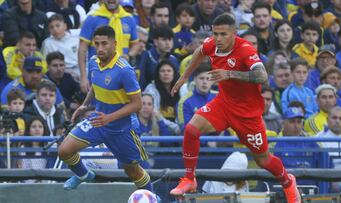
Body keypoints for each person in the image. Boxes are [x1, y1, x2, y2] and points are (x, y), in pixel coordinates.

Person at [169, 14, 301, 203]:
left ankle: (288, 182)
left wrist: (229, 73)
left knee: (264, 160)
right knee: (191, 130)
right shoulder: (212, 44)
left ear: (234, 33)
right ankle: (190, 179)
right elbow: (199, 51)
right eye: (216, 34)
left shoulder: (245, 49)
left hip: (248, 114)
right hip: (223, 104)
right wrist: (184, 76)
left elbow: (262, 76)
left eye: (223, 34)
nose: (219, 39)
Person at [57, 26, 153, 193]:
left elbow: (137, 104)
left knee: (132, 170)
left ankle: (152, 197)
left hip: (122, 129)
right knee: (64, 151)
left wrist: (109, 118)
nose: (100, 48)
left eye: (104, 44)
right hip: (97, 121)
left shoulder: (125, 71)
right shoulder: (93, 61)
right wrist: (85, 105)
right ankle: (83, 175)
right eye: (97, 44)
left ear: (115, 44)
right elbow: (95, 85)